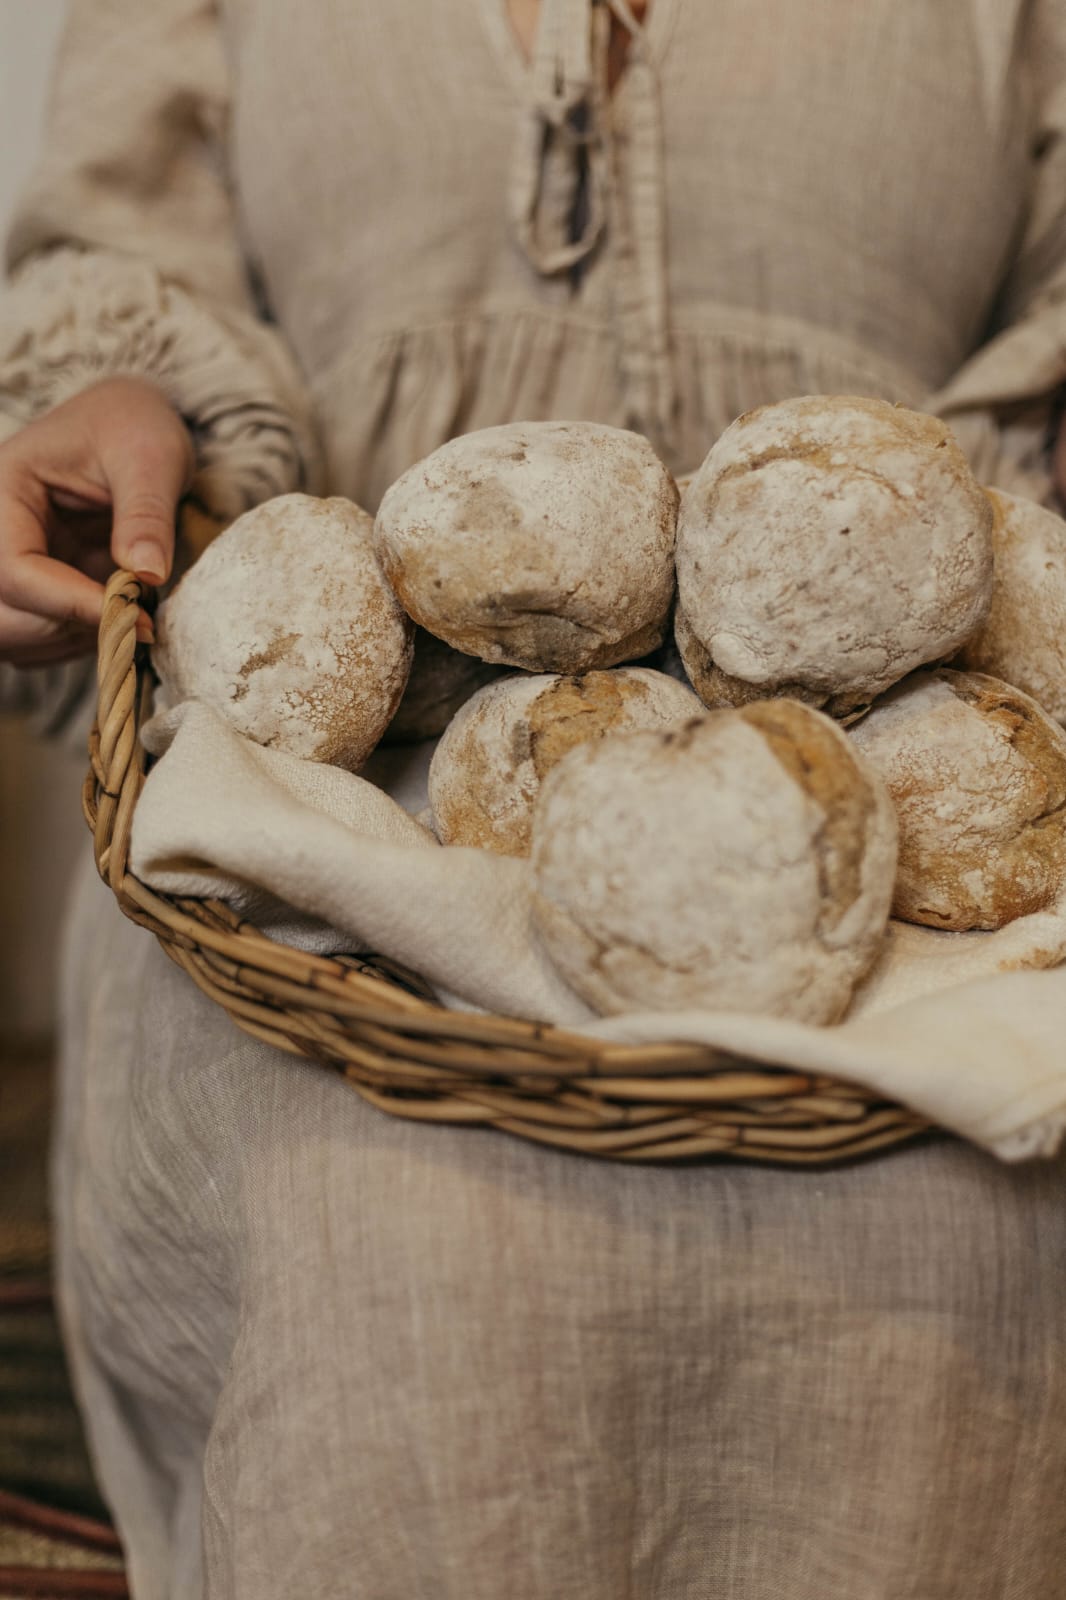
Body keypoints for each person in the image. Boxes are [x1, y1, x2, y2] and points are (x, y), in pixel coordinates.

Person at [2, 2, 1066, 1595]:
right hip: (316, 787)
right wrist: (106, 406)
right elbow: (123, 245)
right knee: (407, 1235)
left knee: (948, 1215)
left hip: (935, 688)